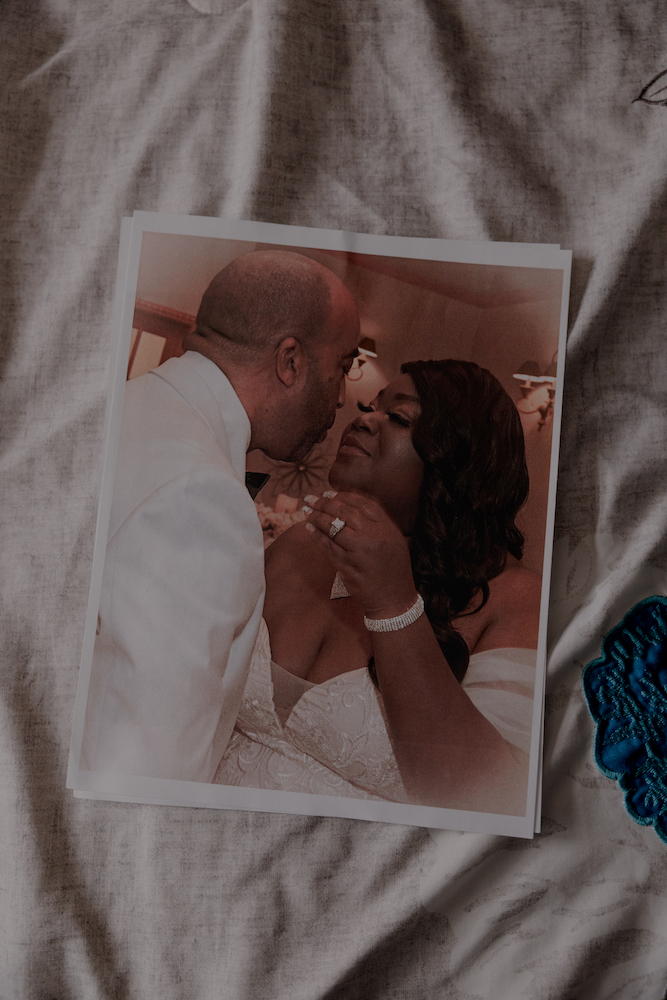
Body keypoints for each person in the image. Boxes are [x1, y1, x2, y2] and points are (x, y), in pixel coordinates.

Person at [214, 360, 540, 815]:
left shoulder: (517, 601)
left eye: (400, 418)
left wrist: (393, 604)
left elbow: (489, 801)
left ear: (460, 460)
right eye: (370, 406)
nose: (364, 418)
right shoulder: (301, 544)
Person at [81, 249, 360, 781]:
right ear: (291, 361)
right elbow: (147, 769)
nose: (344, 396)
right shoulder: (202, 497)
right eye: (342, 367)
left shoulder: (126, 405)